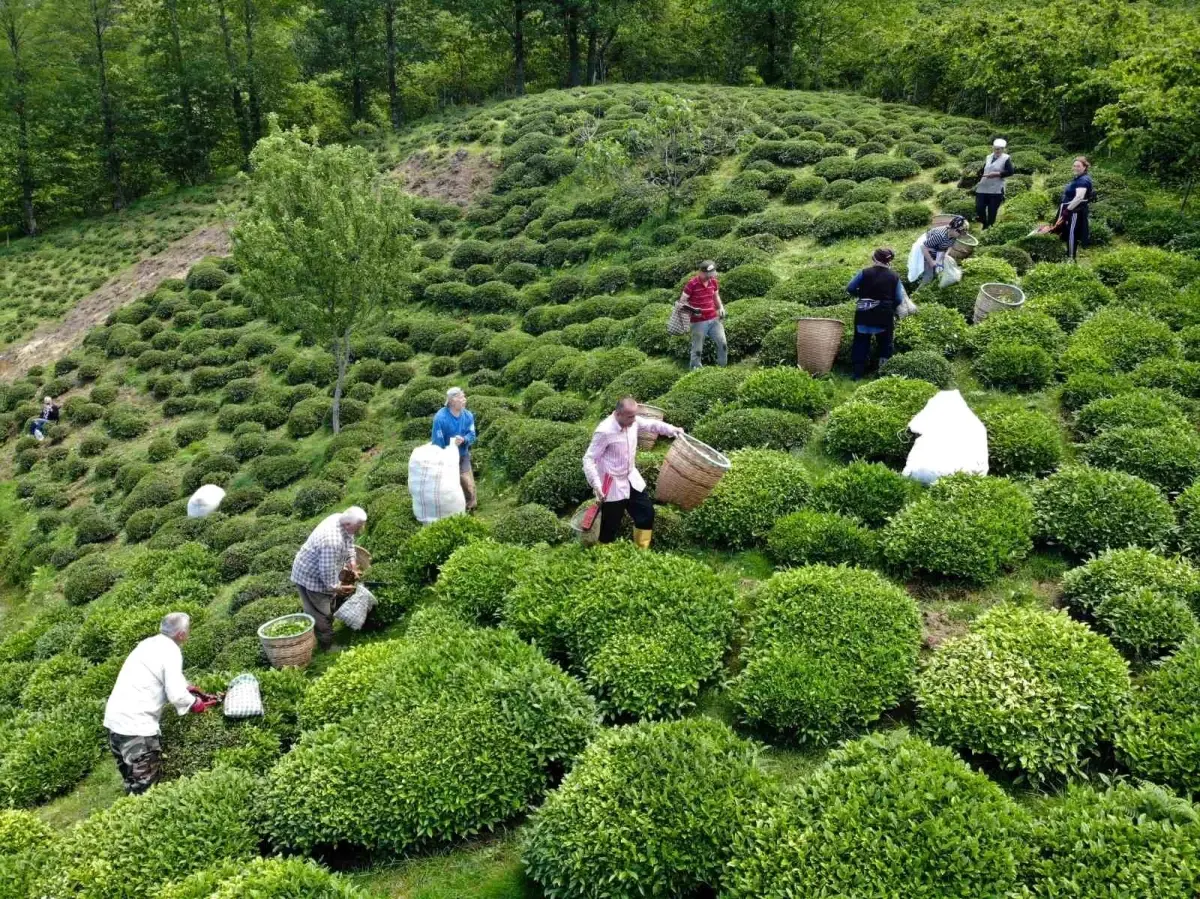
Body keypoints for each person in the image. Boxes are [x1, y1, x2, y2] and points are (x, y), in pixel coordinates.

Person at [103, 613, 219, 794]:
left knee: (131, 779)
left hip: (115, 723)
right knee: (146, 790)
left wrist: (189, 688)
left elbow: (163, 678)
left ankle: (129, 808)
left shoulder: (149, 643)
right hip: (137, 729)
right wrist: (196, 703)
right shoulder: (172, 651)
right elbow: (177, 696)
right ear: (181, 634)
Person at [583, 397, 683, 548]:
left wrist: (672, 430)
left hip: (631, 477)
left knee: (646, 514)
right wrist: (596, 485)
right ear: (618, 414)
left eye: (635, 415)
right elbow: (588, 459)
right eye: (630, 416)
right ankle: (602, 557)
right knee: (609, 526)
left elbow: (651, 425)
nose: (634, 419)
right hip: (611, 484)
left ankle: (641, 550)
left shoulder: (633, 421)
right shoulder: (604, 431)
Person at [290, 506, 367, 651]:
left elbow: (349, 540)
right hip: (309, 577)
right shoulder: (332, 541)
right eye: (359, 527)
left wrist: (352, 563)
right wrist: (337, 588)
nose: (360, 529)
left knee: (327, 605)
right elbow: (327, 574)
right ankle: (328, 645)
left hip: (319, 569)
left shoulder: (341, 518)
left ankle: (326, 633)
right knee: (321, 612)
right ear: (348, 524)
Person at [847, 248, 906, 380]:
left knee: (860, 342)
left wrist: (861, 295)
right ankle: (882, 374)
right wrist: (890, 305)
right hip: (884, 314)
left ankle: (857, 375)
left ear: (875, 259)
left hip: (864, 312)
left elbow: (850, 287)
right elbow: (899, 299)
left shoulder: (864, 273)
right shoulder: (894, 276)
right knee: (885, 343)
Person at [431, 387, 478, 511]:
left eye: (464, 397)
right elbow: (437, 441)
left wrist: (464, 439)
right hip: (446, 457)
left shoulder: (468, 415)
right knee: (448, 485)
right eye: (461, 397)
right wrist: (443, 456)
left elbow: (472, 435)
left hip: (462, 454)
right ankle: (451, 508)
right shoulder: (440, 418)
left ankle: (470, 506)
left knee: (467, 481)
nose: (464, 400)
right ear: (452, 401)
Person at [680, 260, 727, 371]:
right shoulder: (692, 284)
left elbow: (716, 296)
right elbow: (682, 301)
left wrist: (721, 307)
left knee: (723, 342)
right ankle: (695, 370)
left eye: (712, 273)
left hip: (713, 319)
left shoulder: (714, 282)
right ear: (702, 272)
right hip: (698, 321)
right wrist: (692, 310)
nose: (711, 276)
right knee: (697, 349)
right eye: (709, 274)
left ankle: (722, 368)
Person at [915, 215, 968, 289]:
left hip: (937, 252)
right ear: (955, 229)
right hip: (925, 253)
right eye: (961, 233)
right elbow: (923, 247)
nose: (961, 236)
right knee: (928, 277)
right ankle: (916, 295)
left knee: (937, 271)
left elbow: (950, 246)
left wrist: (945, 255)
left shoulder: (953, 236)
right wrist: (931, 262)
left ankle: (927, 280)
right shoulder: (940, 236)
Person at [1059, 156, 1094, 262]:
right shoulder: (1079, 178)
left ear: (1084, 167)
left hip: (1075, 211)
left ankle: (1070, 257)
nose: (1075, 168)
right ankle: (1069, 254)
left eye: (1078, 166)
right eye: (1074, 166)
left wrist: (1068, 210)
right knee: (1069, 232)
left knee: (1071, 233)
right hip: (1072, 210)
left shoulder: (1083, 180)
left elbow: (1079, 197)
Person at [974, 138, 1014, 230]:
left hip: (996, 189)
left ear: (1003, 149)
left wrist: (997, 174)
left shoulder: (1006, 158)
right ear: (993, 148)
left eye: (999, 149)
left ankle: (989, 226)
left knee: (992, 210)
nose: (997, 151)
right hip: (983, 186)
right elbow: (984, 169)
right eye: (995, 148)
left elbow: (1010, 172)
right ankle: (983, 222)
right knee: (979, 207)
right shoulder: (988, 157)